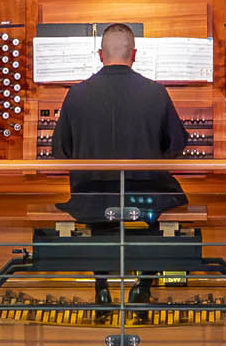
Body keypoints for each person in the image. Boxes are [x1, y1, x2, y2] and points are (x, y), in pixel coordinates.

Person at [48, 23, 190, 230]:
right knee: (172, 195)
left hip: (91, 201)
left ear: (100, 55)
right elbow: (176, 145)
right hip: (147, 198)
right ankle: (155, 256)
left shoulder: (76, 94)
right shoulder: (156, 92)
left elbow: (61, 151)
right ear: (134, 54)